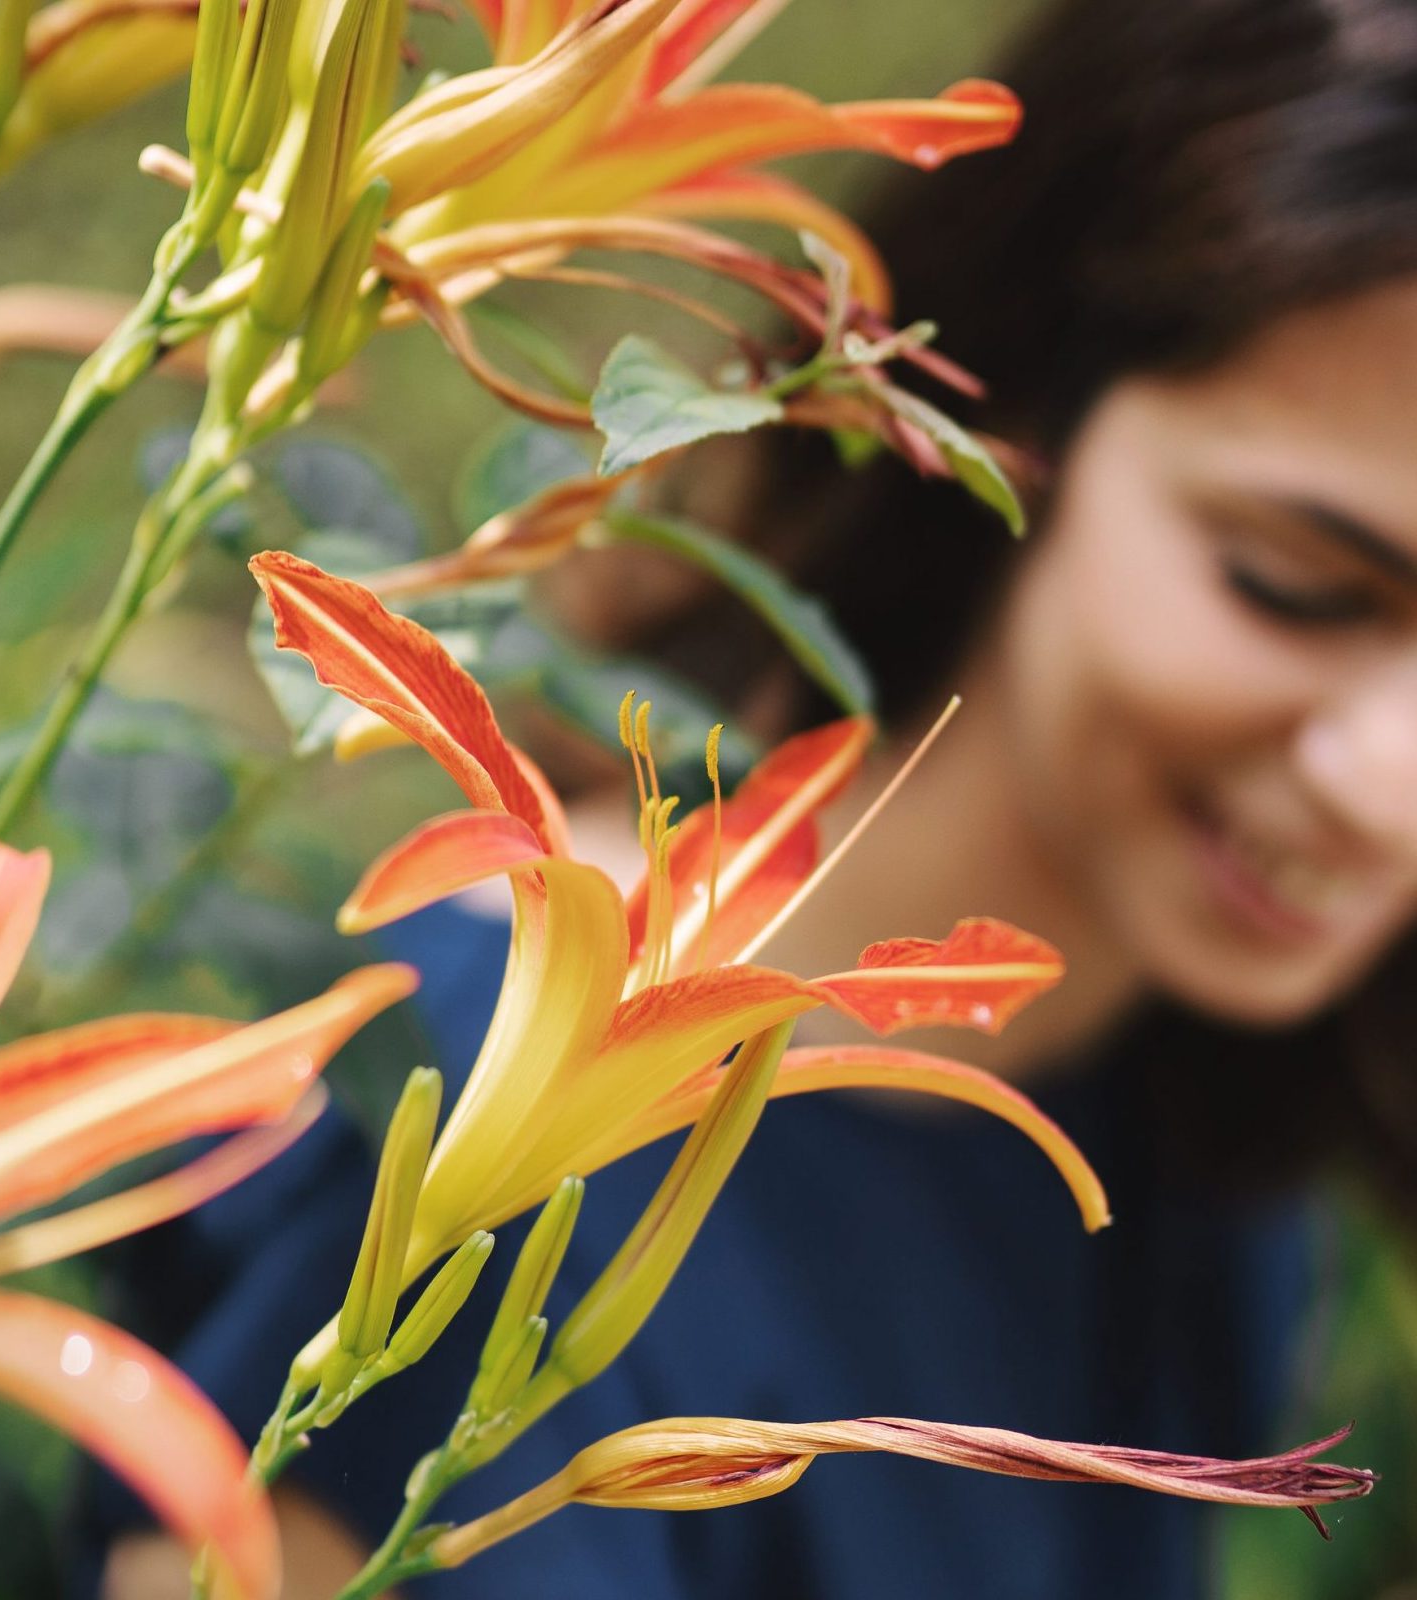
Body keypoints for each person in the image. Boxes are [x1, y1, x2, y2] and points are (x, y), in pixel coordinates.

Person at [85, 0, 1417, 1593]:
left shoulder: (1203, 1121)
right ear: (991, 424)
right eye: (1289, 584)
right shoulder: (426, 1144)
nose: (1391, 795)